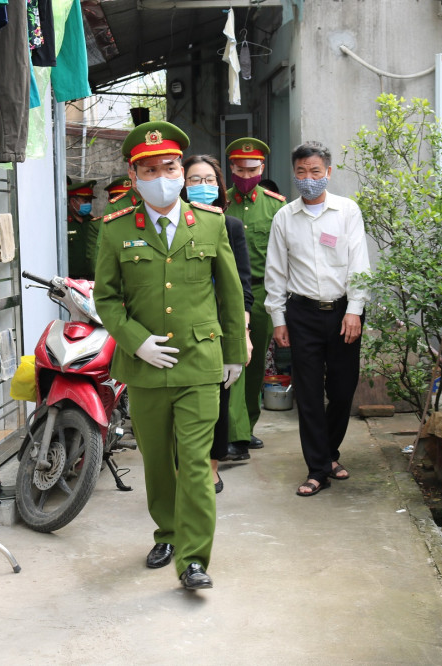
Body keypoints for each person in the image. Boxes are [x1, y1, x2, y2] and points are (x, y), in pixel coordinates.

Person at [93, 122, 245, 590]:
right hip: (145, 367)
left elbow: (231, 295)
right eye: (151, 170)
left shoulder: (212, 223)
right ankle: (168, 534)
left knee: (196, 463)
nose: (163, 177)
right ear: (134, 176)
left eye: (171, 167)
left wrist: (234, 353)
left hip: (200, 362)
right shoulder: (116, 229)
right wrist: (135, 340)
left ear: (182, 170)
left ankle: (194, 559)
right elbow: (106, 298)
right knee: (158, 462)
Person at [264, 141, 370, 497]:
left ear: (328, 172)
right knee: (308, 394)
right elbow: (276, 271)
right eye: (301, 172)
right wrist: (278, 318)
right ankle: (318, 470)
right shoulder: (284, 217)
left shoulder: (347, 211)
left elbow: (359, 263)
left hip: (342, 313)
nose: (308, 179)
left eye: (315, 171)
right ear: (293, 174)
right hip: (302, 314)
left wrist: (355, 310)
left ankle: (329, 454)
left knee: (342, 390)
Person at [180, 155, 253, 493]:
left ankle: (211, 464)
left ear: (220, 186)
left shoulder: (230, 226)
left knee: (218, 398)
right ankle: (180, 466)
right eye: (195, 180)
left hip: (217, 326)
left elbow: (241, 286)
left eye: (209, 180)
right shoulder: (169, 225)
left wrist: (243, 334)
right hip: (178, 323)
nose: (203, 186)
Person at [223, 137, 286, 459]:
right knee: (232, 360)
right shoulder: (220, 202)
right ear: (231, 168)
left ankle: (246, 426)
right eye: (239, 169)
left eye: (252, 170)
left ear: (262, 168)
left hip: (261, 294)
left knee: (255, 364)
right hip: (225, 293)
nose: (246, 175)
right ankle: (233, 433)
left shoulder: (276, 207)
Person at [66, 178, 100, 280]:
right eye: (85, 201)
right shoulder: (64, 223)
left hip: (91, 279)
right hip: (70, 279)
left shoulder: (93, 222)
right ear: (73, 201)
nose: (89, 204)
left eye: (90, 201)